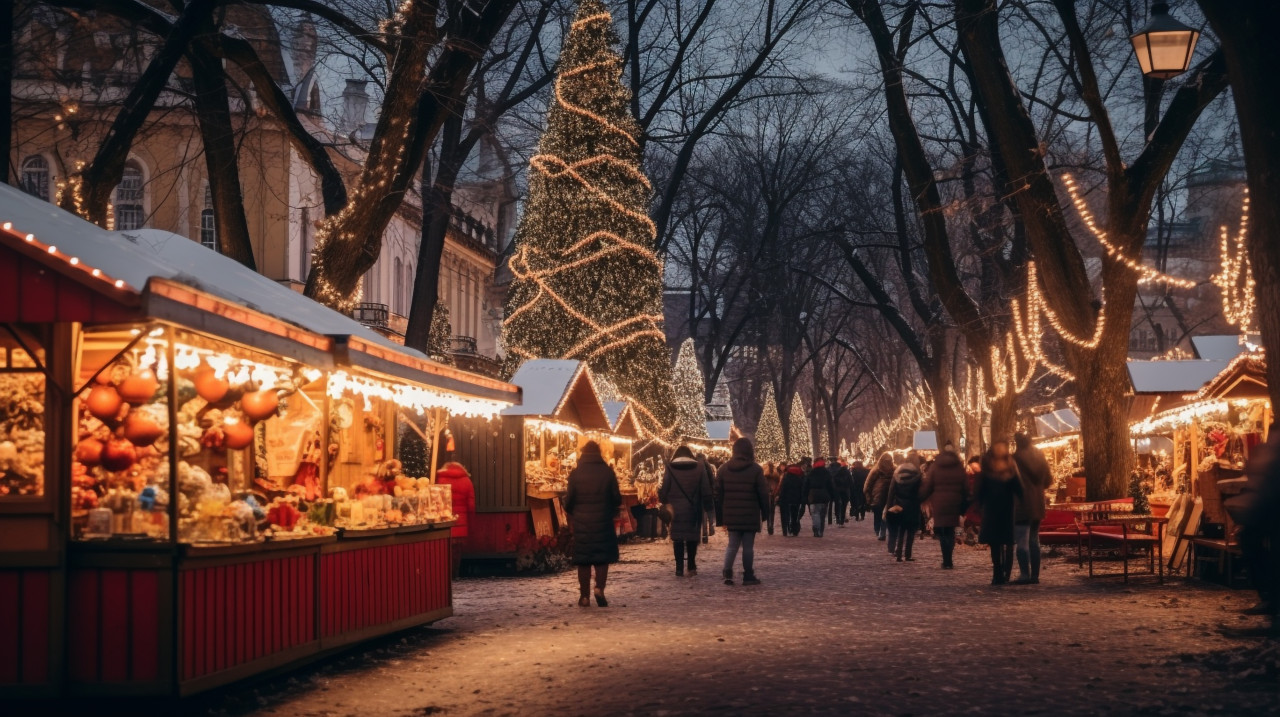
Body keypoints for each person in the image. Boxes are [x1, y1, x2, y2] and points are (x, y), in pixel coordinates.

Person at [564, 441, 622, 607]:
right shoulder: (607, 473)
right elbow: (617, 498)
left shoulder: (575, 474)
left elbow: (569, 501)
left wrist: (573, 511)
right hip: (603, 521)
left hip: (582, 523)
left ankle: (584, 597)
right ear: (599, 454)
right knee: (601, 559)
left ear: (583, 454)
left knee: (584, 561)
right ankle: (599, 589)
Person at [715, 438, 770, 585]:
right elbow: (763, 494)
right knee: (748, 546)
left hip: (731, 514)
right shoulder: (756, 470)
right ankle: (748, 574)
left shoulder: (723, 469)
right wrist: (765, 513)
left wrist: (721, 516)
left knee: (732, 544)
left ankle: (727, 572)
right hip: (750, 514)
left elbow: (718, 495)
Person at [660, 445, 715, 577]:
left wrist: (665, 502)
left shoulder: (670, 468)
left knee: (677, 539)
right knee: (692, 538)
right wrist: (709, 508)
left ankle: (679, 568)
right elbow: (706, 490)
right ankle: (691, 566)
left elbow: (664, 489)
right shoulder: (700, 468)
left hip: (675, 510)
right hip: (694, 509)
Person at [976, 440, 1023, 586]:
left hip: (992, 509)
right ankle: (1004, 572)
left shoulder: (987, 469)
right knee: (1006, 542)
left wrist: (979, 504)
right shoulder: (1010, 467)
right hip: (1006, 509)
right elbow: (1019, 489)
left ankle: (998, 572)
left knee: (996, 543)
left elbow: (980, 490)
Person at [1012, 432, 1053, 584]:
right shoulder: (1040, 457)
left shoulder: (1015, 459)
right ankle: (1035, 575)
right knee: (1034, 540)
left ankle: (1024, 574)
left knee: (1022, 540)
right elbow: (1049, 480)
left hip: (1021, 504)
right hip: (1037, 505)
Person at [919, 447, 969, 569]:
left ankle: (946, 559)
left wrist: (920, 497)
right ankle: (949, 558)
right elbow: (965, 487)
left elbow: (928, 486)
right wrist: (964, 504)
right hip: (954, 503)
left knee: (942, 532)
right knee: (950, 531)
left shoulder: (935, 467)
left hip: (940, 503)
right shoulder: (959, 468)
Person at [435, 461, 475, 578]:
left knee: (445, 551)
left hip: (446, 521)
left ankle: (445, 575)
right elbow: (471, 505)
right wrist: (471, 519)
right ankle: (455, 574)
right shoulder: (467, 481)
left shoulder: (441, 479)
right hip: (461, 523)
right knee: (457, 552)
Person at [884, 460, 923, 561]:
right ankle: (908, 554)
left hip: (899, 506)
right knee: (911, 532)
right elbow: (921, 491)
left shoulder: (896, 475)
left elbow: (891, 492)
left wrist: (888, 507)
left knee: (901, 530)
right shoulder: (917, 476)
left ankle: (898, 554)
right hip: (913, 506)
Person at [864, 453, 895, 543]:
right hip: (889, 496)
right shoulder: (894, 470)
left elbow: (867, 485)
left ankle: (879, 531)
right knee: (885, 515)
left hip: (877, 496)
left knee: (878, 515)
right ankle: (882, 532)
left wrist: (868, 497)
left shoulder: (876, 470)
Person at [778, 461, 806, 537]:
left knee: (786, 515)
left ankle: (786, 529)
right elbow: (802, 490)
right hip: (796, 500)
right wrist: (802, 500)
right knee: (794, 515)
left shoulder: (786, 479)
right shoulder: (799, 479)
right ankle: (794, 530)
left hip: (786, 500)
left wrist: (780, 499)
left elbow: (783, 489)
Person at [831, 458, 854, 526]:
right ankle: (842, 520)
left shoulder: (835, 473)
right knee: (844, 506)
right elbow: (851, 482)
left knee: (837, 504)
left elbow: (833, 482)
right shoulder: (847, 472)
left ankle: (838, 518)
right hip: (845, 490)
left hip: (837, 490)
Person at [763, 462, 783, 535]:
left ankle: (769, 525)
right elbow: (778, 484)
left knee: (768, 511)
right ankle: (771, 525)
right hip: (773, 494)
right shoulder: (776, 476)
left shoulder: (764, 475)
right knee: (772, 511)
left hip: (767, 494)